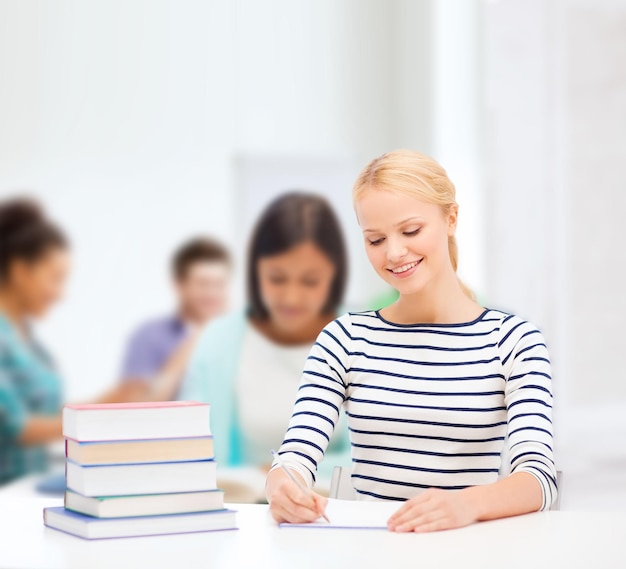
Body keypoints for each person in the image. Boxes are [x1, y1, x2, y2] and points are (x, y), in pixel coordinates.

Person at [266, 150, 557, 532]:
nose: (394, 253)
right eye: (375, 239)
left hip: (470, 549)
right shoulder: (345, 339)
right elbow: (294, 460)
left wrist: (464, 505)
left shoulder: (514, 341)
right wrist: (283, 488)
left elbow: (538, 479)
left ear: (451, 218)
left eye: (411, 231)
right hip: (373, 548)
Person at [180, 192, 350, 472]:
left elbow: (383, 458)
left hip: (336, 510)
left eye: (310, 281)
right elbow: (190, 450)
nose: (291, 298)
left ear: (335, 275)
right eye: (277, 278)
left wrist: (286, 472)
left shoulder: (362, 340)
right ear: (255, 270)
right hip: (243, 509)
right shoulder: (218, 342)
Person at [0, 198, 141, 484]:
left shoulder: (29, 343)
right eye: (54, 278)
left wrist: (107, 404)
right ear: (20, 271)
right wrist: (98, 408)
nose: (59, 294)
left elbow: (46, 415)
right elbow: (16, 428)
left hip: (26, 492)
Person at [119, 238, 231, 401]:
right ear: (179, 285)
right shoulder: (149, 336)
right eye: (203, 284)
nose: (213, 293)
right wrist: (199, 336)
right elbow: (140, 404)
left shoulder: (242, 336)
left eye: (219, 284)